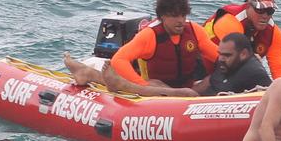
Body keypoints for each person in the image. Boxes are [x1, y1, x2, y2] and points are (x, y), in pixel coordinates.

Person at [109, 0, 218, 91]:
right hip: (159, 91)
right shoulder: (150, 35)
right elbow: (118, 60)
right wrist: (143, 86)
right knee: (156, 83)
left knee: (214, 78)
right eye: (174, 16)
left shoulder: (194, 31)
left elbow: (219, 57)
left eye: (183, 15)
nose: (180, 21)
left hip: (190, 90)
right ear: (162, 16)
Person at [202, 0, 281, 78]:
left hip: (228, 73)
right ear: (248, 6)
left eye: (270, 11)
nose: (265, 16)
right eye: (260, 10)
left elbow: (279, 70)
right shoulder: (229, 21)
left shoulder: (274, 33)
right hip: (200, 68)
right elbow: (238, 60)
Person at [61, 52, 195, 97]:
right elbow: (120, 58)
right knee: (186, 93)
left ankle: (91, 74)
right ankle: (121, 84)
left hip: (210, 104)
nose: (181, 21)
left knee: (188, 93)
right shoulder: (151, 34)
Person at [195, 33, 271, 96]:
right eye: (220, 54)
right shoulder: (224, 63)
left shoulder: (255, 73)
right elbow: (211, 81)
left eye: (227, 55)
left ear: (243, 54)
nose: (221, 59)